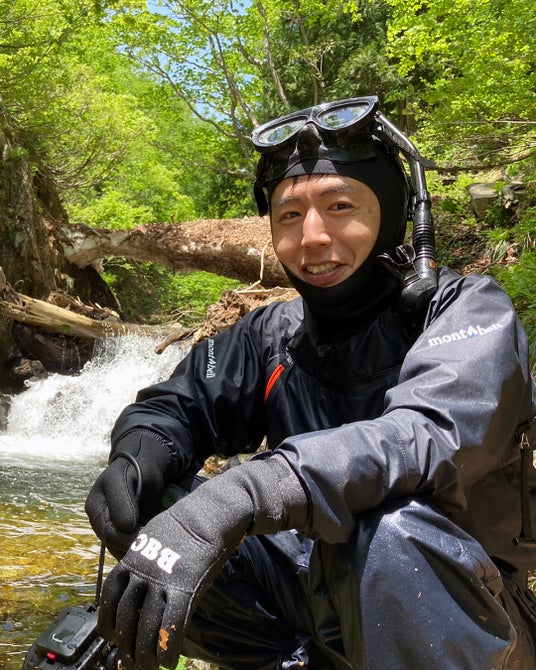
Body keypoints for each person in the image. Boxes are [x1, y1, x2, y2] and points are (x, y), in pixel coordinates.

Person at [85, 95, 536, 670]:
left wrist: (246, 492)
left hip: (469, 609)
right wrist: (137, 453)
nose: (313, 237)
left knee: (392, 533)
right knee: (151, 508)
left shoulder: (468, 309)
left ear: (394, 213)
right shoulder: (269, 333)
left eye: (340, 206)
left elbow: (429, 435)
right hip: (309, 597)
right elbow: (176, 407)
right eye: (290, 215)